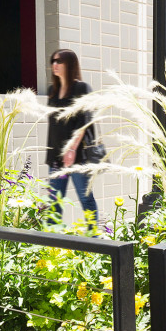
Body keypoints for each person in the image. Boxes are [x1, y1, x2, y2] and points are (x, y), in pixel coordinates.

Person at [45, 49, 99, 221]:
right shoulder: (52, 91)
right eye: (53, 61)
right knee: (54, 202)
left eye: (59, 61)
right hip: (56, 157)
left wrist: (72, 149)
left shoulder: (81, 88)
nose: (54, 65)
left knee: (86, 199)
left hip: (77, 157)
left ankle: (94, 240)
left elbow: (85, 121)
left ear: (70, 64)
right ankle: (53, 243)